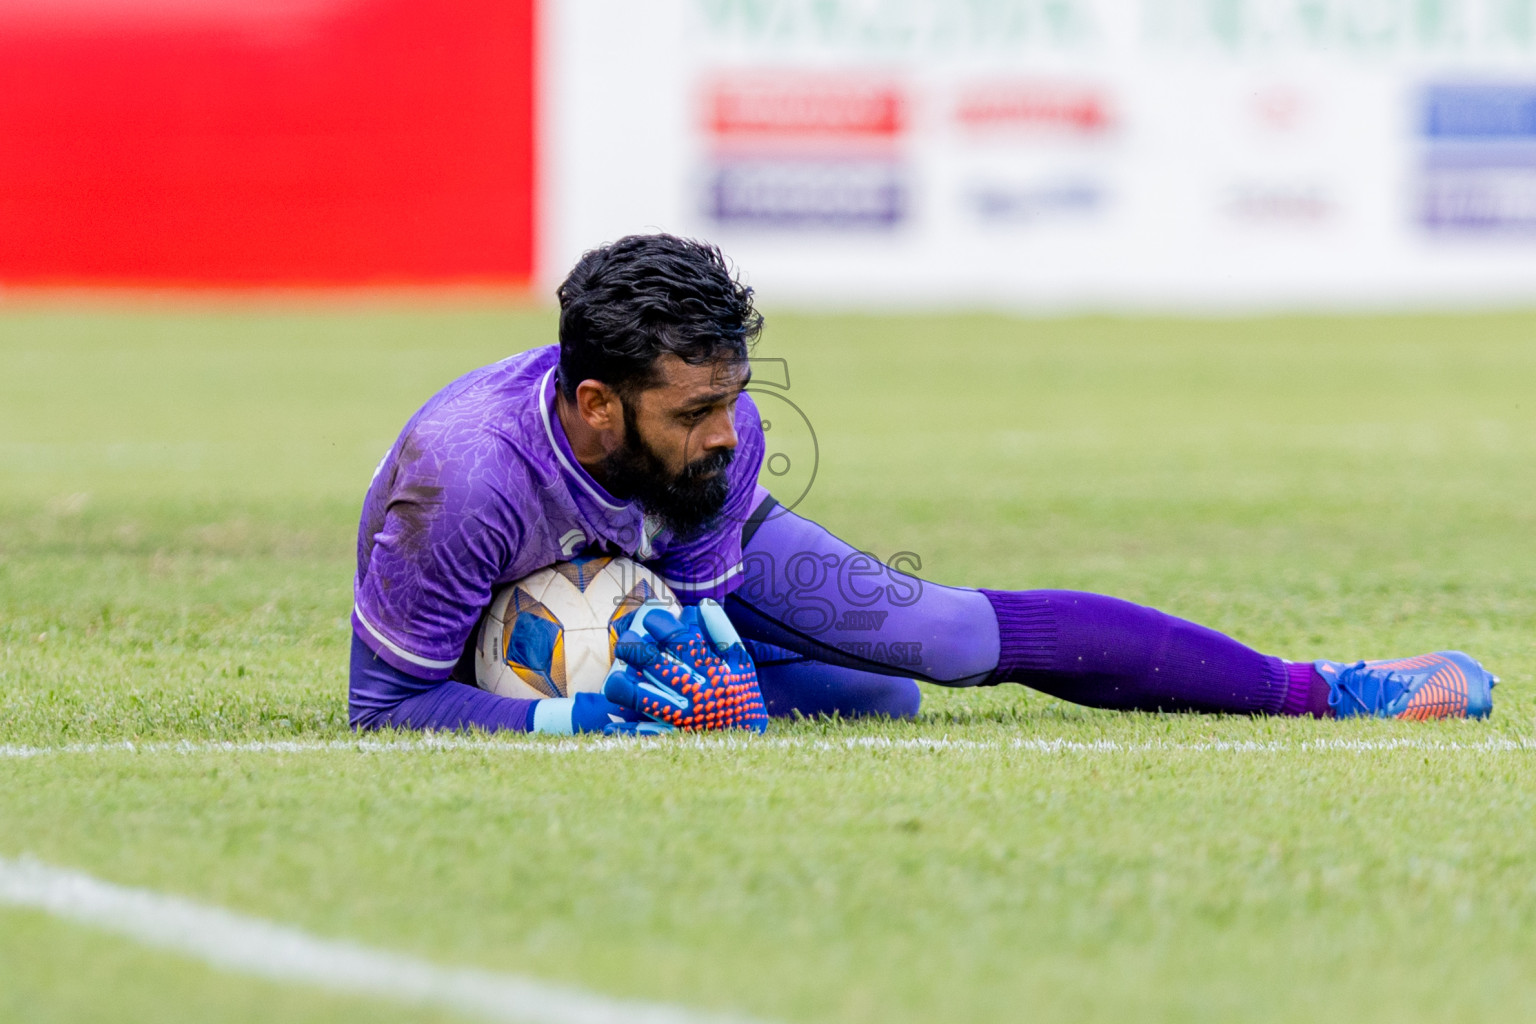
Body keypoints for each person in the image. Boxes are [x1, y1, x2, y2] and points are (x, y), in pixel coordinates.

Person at [349, 234, 1497, 734]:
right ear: (596, 403)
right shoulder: (461, 480)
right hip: (516, 663)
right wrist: (584, 718)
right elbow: (384, 708)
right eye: (692, 411)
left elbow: (700, 593)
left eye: (735, 398)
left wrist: (713, 681)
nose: (729, 431)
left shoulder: (720, 432)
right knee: (864, 700)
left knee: (923, 655)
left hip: (635, 587)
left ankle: (1325, 689)